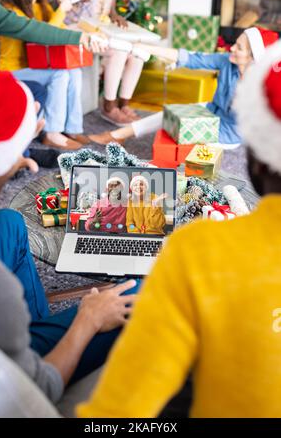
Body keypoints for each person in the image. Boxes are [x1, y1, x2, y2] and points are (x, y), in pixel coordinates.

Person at [77, 41, 281, 418]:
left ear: (255, 151)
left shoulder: (200, 248)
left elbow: (118, 411)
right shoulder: (224, 61)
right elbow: (188, 56)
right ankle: (111, 137)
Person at [0, 68, 139, 405]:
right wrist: (88, 319)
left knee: (6, 222)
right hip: (13, 373)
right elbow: (37, 387)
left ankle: (38, 322)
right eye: (17, 147)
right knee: (140, 291)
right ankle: (46, 333)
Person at [91, 27, 279, 146]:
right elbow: (190, 58)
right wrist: (146, 47)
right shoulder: (226, 61)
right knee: (169, 114)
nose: (231, 48)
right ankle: (117, 135)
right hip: (211, 110)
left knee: (182, 133)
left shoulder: (261, 85)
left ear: (253, 57)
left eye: (239, 47)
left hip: (228, 131)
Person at [0, 0, 92, 151]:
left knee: (74, 71)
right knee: (59, 74)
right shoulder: (11, 11)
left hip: (37, 66)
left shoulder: (41, 6)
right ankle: (52, 133)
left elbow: (59, 30)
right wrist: (61, 11)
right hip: (13, 70)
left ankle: (72, 128)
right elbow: (41, 36)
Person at [55, 0, 147, 126]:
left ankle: (124, 104)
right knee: (120, 49)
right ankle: (109, 106)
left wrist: (115, 15)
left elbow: (110, 6)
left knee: (138, 51)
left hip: (101, 28)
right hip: (76, 27)